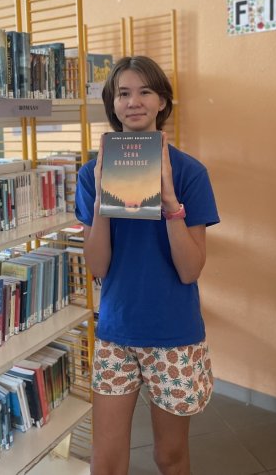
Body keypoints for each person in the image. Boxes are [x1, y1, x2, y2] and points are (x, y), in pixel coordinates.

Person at [75, 56, 220, 475]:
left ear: (162, 102)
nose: (133, 102)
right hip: (116, 332)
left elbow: (190, 270)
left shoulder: (190, 173)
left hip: (173, 334)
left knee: (169, 457)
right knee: (105, 462)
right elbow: (98, 267)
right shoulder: (91, 174)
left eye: (145, 92)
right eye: (123, 93)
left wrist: (171, 203)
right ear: (112, 103)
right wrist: (101, 203)